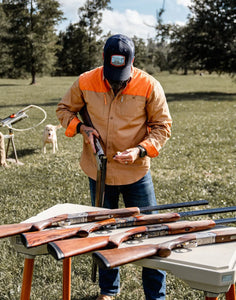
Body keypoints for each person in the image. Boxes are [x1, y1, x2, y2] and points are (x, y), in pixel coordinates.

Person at [56, 34, 172, 300]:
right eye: (111, 72)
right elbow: (64, 110)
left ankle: (156, 296)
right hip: (99, 172)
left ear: (133, 62)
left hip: (136, 172)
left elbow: (162, 127)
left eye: (121, 72)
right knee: (105, 230)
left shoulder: (150, 85)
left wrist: (141, 150)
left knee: (149, 233)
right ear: (103, 60)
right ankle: (108, 291)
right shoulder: (85, 81)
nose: (115, 79)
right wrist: (82, 128)